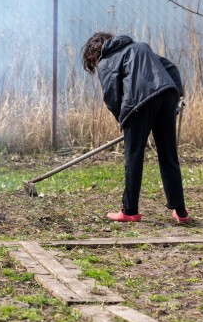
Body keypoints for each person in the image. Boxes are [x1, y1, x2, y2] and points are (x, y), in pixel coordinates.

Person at [81, 32, 189, 224]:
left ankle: (130, 210)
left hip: (138, 103)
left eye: (93, 63)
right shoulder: (140, 46)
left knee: (134, 157)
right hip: (167, 94)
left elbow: (112, 95)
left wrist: (123, 120)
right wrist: (176, 96)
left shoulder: (106, 61)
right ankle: (181, 212)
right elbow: (170, 68)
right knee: (168, 156)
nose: (96, 66)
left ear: (94, 54)